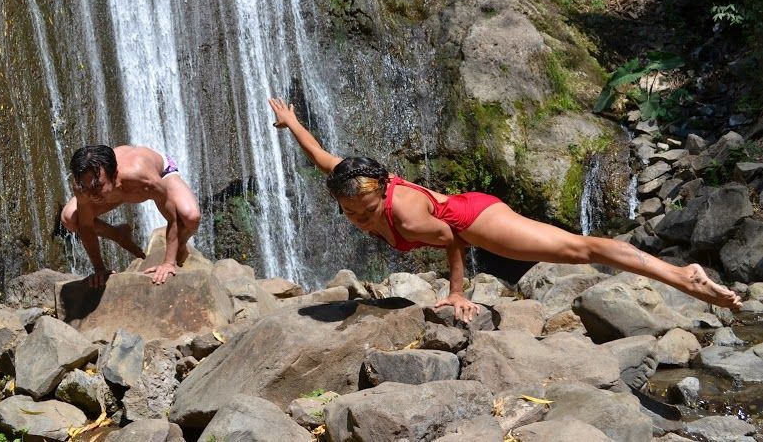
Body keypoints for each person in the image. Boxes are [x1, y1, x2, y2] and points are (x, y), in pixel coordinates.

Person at [268, 98, 742, 322]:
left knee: (577, 250)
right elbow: (321, 157)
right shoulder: (353, 179)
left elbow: (451, 240)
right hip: (464, 211)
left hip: (475, 221)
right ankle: (682, 276)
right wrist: (292, 124)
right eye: (350, 214)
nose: (358, 218)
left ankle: (685, 277)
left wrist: (457, 293)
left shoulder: (406, 215)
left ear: (381, 190)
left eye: (365, 211)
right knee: (574, 250)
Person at [61, 145, 201, 287]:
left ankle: (181, 246)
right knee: (69, 219)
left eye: (98, 186)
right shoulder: (84, 188)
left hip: (161, 172)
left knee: (191, 217)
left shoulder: (146, 180)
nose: (92, 195)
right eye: (87, 188)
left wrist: (168, 263)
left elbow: (173, 218)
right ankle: (117, 234)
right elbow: (85, 226)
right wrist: (99, 270)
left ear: (114, 175)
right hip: (116, 188)